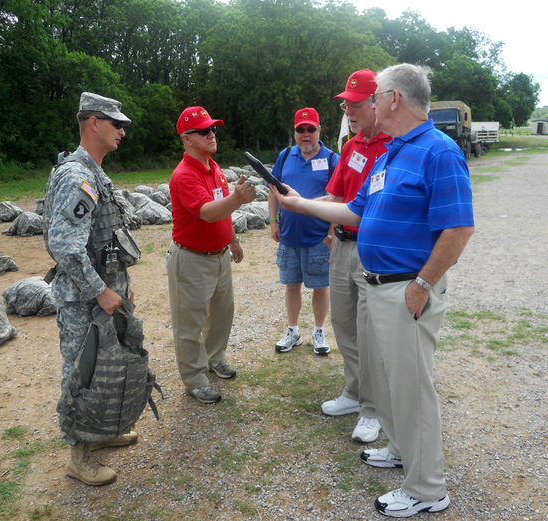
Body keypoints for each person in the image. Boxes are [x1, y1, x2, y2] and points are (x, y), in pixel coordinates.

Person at [271, 64, 475, 518]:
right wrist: (295, 202)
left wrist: (423, 285)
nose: (367, 104)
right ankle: (403, 451)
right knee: (386, 382)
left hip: (407, 290)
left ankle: (427, 489)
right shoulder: (392, 154)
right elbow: (356, 209)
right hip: (379, 286)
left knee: (411, 389)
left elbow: (459, 227)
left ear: (395, 99)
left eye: (377, 95)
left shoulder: (438, 152)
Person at [44, 92, 138, 486]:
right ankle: (78, 456)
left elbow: (105, 237)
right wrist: (101, 290)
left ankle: (101, 432)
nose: (121, 130)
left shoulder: (96, 172)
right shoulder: (77, 176)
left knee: (106, 369)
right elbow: (63, 244)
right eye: (116, 123)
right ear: (93, 122)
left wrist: (118, 285)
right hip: (85, 299)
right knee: (82, 373)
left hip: (104, 291)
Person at [319, 70, 391, 444]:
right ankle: (353, 392)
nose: (349, 109)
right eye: (346, 103)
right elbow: (335, 198)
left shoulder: (392, 144)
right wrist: (292, 201)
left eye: (356, 102)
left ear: (377, 102)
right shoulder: (350, 146)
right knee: (344, 325)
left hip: (371, 250)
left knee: (369, 333)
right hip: (342, 246)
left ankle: (373, 409)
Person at [166, 106, 256, 404]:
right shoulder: (184, 175)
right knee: (189, 322)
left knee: (222, 313)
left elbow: (221, 212)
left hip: (219, 256)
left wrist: (233, 240)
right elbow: (206, 213)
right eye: (204, 130)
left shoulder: (213, 167)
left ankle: (215, 358)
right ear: (187, 139)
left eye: (213, 128)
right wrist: (237, 199)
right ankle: (194, 379)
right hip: (191, 260)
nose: (211, 134)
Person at [268, 107, 340, 355]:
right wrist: (273, 221)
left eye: (311, 129)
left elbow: (339, 199)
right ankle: (293, 330)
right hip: (288, 237)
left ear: (319, 130)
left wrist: (331, 234)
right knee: (291, 285)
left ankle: (319, 331)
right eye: (301, 129)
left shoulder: (333, 160)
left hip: (319, 238)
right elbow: (273, 190)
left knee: (321, 286)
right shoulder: (285, 156)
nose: (306, 134)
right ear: (295, 132)